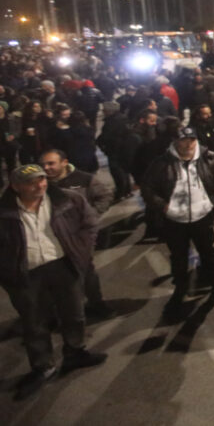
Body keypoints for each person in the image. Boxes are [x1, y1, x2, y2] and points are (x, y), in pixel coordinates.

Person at [0, 164, 107, 400]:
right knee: (34, 321)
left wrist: (82, 251)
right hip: (26, 274)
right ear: (16, 186)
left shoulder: (67, 199)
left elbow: (89, 223)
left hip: (63, 265)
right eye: (31, 182)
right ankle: (42, 367)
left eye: (41, 179)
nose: (39, 185)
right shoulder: (4, 211)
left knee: (74, 313)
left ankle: (75, 352)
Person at [140, 127, 214, 319]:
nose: (189, 144)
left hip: (202, 216)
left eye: (192, 140)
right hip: (175, 220)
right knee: (179, 258)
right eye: (184, 140)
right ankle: (180, 290)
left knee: (209, 252)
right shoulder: (162, 163)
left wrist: (213, 200)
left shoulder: (208, 158)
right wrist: (163, 206)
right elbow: (147, 188)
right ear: (176, 142)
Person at [40, 149, 115, 319]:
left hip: (77, 237)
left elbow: (105, 196)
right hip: (52, 238)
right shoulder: (41, 183)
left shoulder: (83, 179)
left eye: (51, 163)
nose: (46, 168)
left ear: (64, 162)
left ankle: (96, 303)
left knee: (86, 273)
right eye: (43, 164)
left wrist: (91, 216)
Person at [98, 101, 133, 201]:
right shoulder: (123, 119)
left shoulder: (112, 122)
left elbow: (107, 136)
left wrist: (102, 144)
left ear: (110, 111)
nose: (103, 111)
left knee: (117, 172)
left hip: (114, 150)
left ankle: (120, 193)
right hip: (123, 150)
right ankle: (127, 191)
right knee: (124, 171)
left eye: (104, 110)